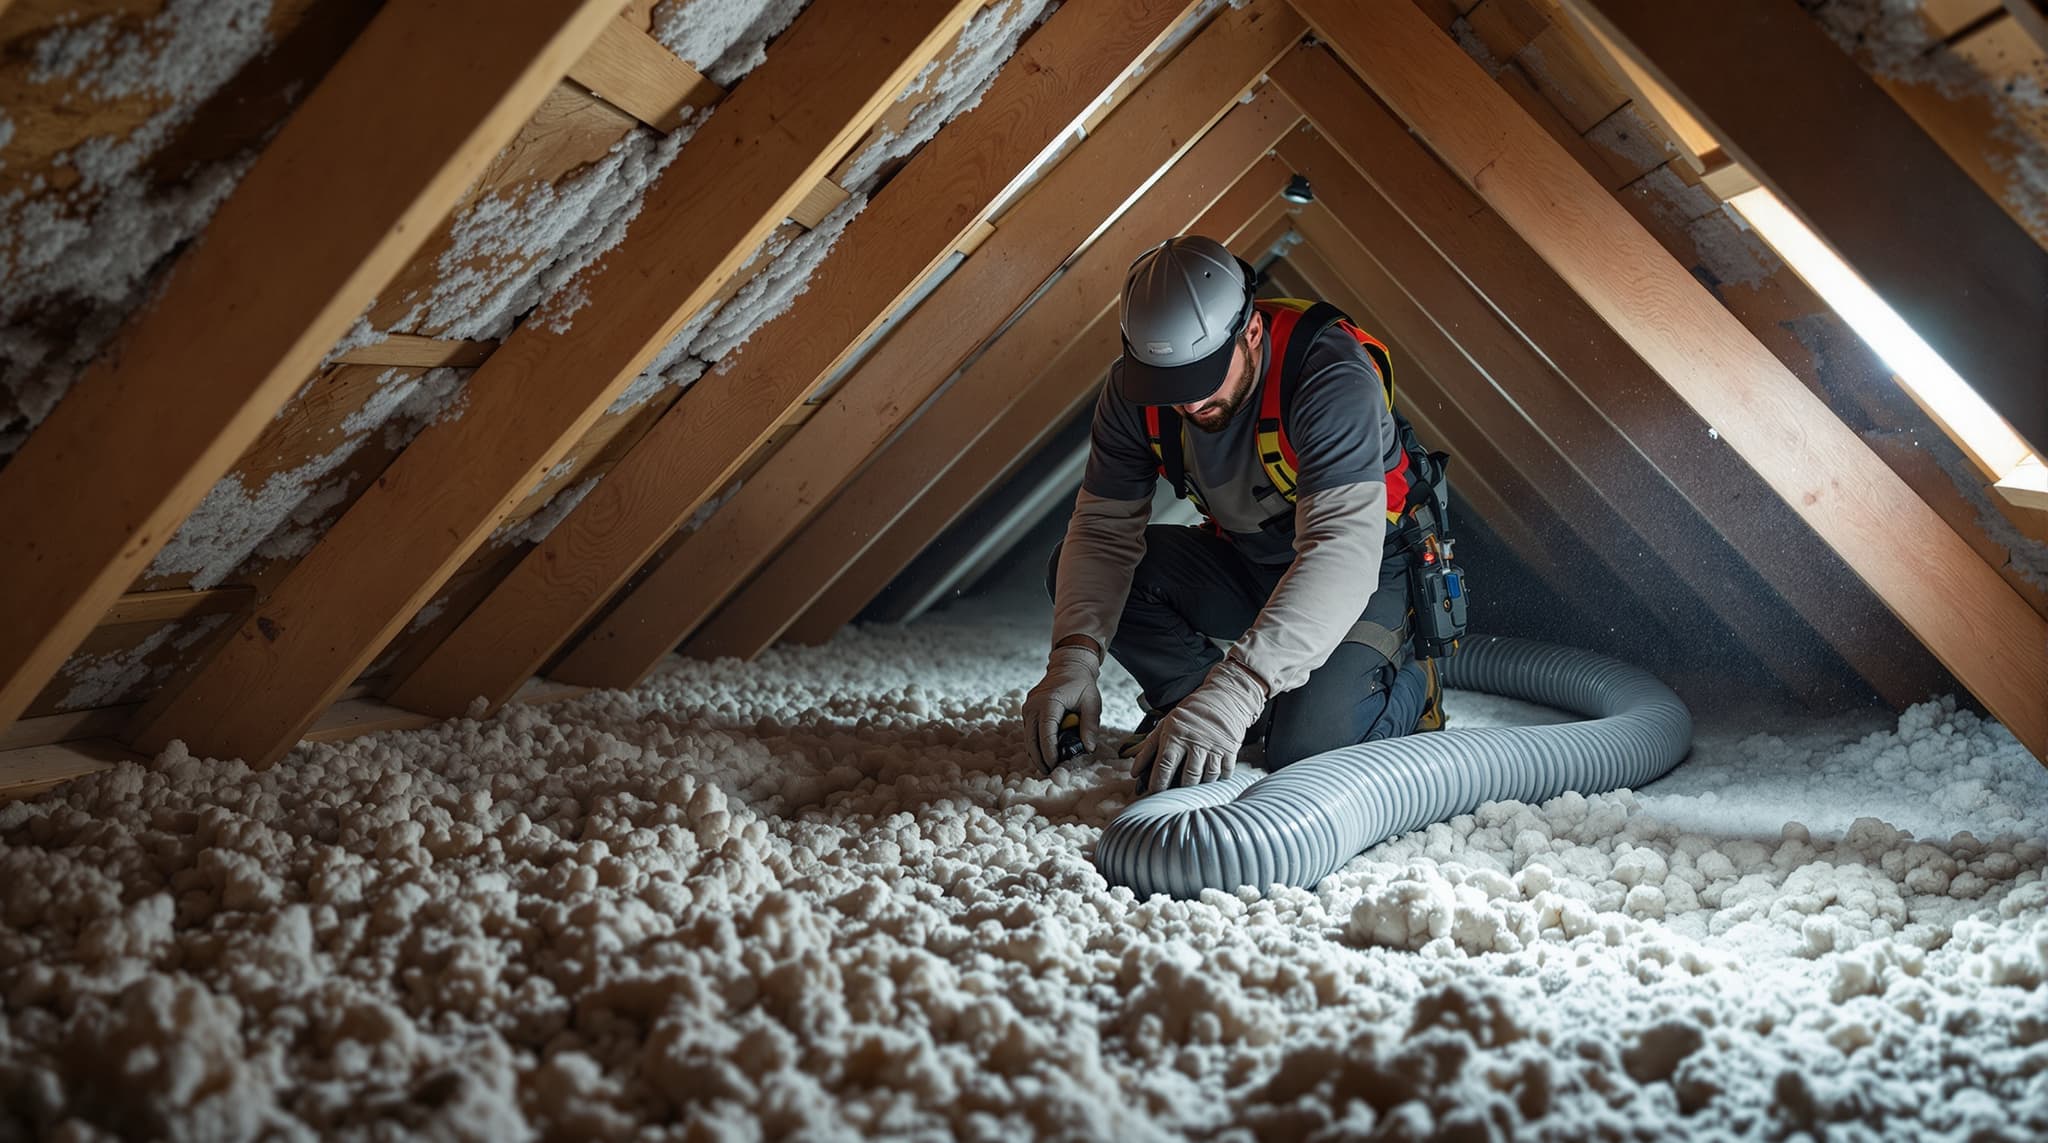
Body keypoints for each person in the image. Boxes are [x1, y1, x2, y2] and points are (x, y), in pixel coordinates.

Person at [1023, 234, 1437, 791]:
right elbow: (1102, 535)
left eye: (1202, 379)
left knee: (1307, 751)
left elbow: (1341, 551)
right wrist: (1072, 657)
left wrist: (1240, 685)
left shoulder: (1329, 374)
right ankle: (1210, 716)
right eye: (1170, 386)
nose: (1188, 404)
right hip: (1251, 559)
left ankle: (1414, 681)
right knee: (1079, 570)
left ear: (1251, 333)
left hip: (1367, 570)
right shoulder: (1133, 391)